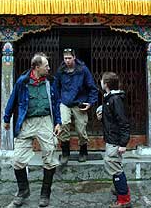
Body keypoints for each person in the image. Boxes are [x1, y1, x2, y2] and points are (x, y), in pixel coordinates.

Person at [3, 53, 61, 208]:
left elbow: (56, 103)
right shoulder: (23, 82)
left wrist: (58, 122)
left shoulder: (50, 81)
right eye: (46, 65)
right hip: (26, 122)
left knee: (50, 155)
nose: (49, 68)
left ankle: (45, 194)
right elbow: (13, 99)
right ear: (36, 67)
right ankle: (23, 191)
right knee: (17, 160)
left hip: (45, 121)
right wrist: (6, 118)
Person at [54, 48, 98, 164]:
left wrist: (90, 102)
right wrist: (58, 101)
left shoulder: (83, 70)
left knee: (81, 129)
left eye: (69, 58)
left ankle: (83, 151)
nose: (67, 60)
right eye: (65, 58)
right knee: (64, 124)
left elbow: (92, 87)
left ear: (74, 57)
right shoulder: (61, 71)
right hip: (64, 102)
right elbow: (56, 87)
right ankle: (65, 152)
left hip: (79, 102)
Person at [96, 72, 131, 208]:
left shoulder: (115, 99)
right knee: (114, 165)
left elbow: (123, 122)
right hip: (111, 138)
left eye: (102, 81)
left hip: (115, 140)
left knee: (114, 167)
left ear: (106, 84)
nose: (100, 82)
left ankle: (124, 199)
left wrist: (123, 143)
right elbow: (112, 118)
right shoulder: (110, 98)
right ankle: (119, 189)